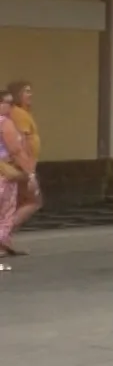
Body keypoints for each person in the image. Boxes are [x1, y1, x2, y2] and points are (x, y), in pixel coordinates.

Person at [4, 82, 42, 246]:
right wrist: (29, 169)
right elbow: (20, 143)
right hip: (21, 165)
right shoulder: (18, 114)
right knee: (33, 201)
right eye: (26, 91)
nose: (30, 94)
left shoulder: (23, 113)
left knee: (17, 203)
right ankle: (4, 235)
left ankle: (5, 237)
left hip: (23, 164)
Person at [0, 94, 30, 264]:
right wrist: (28, 170)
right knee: (6, 208)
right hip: (5, 171)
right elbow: (15, 149)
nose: (10, 107)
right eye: (7, 103)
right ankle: (2, 243)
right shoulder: (5, 123)